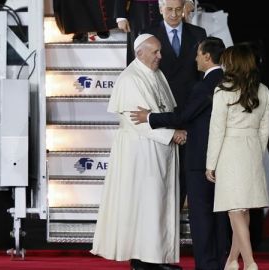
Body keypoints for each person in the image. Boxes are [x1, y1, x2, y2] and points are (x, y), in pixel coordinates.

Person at [130, 37, 230, 270]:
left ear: (207, 57)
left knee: (201, 215)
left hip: (200, 160)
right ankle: (218, 263)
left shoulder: (206, 85)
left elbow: (184, 116)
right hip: (221, 157)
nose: (195, 58)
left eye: (198, 54)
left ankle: (207, 265)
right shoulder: (225, 80)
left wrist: (151, 117)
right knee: (219, 215)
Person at [90, 33, 186, 270]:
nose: (160, 56)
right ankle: (143, 260)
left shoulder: (156, 73)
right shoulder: (130, 79)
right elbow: (137, 121)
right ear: (139, 53)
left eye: (160, 51)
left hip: (159, 151)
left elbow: (165, 109)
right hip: (141, 152)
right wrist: (171, 134)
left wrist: (174, 129)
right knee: (145, 204)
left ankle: (157, 257)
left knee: (159, 203)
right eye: (155, 52)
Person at [205, 44, 269, 270]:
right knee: (241, 209)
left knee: (235, 209)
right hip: (252, 149)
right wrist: (256, 152)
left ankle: (251, 263)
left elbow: (217, 130)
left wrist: (210, 163)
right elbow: (265, 129)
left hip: (230, 150)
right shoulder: (262, 90)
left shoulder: (223, 90)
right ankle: (232, 261)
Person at [144, 0, 207, 211]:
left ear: (185, 9)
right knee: (158, 171)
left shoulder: (198, 33)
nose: (173, 14)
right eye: (169, 9)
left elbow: (203, 76)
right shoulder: (148, 34)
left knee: (187, 170)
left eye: (178, 9)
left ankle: (179, 215)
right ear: (161, 9)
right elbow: (139, 72)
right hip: (160, 112)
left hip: (191, 112)